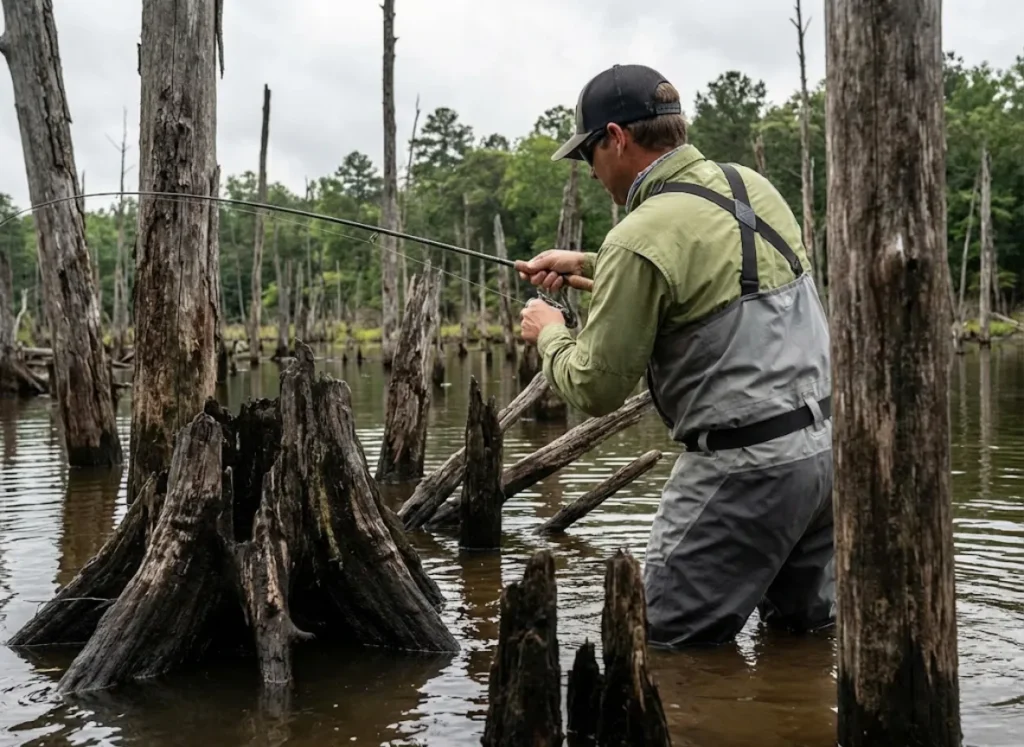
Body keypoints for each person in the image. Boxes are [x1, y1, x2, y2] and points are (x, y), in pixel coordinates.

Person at [515, 63, 835, 648]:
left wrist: (549, 332)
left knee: (659, 650)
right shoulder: (749, 185)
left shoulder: (638, 236)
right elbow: (710, 266)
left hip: (742, 472)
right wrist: (591, 263)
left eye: (588, 153)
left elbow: (596, 388)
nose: (590, 172)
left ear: (616, 138)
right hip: (823, 459)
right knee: (804, 644)